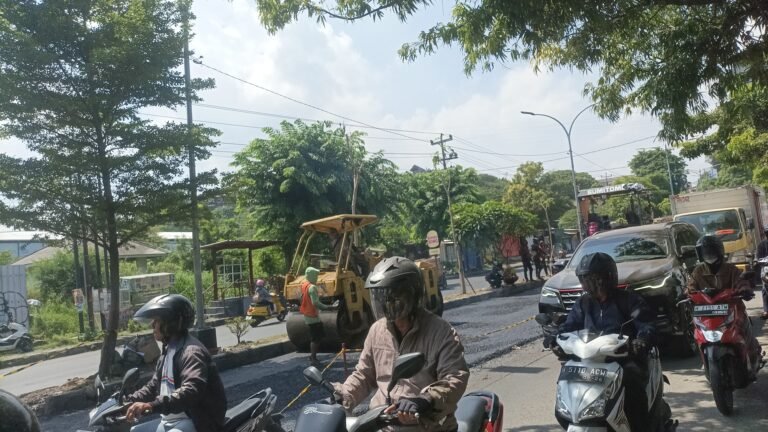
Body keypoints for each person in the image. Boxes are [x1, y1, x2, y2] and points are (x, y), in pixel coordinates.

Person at [333, 257, 469, 431]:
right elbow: (364, 374)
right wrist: (343, 395)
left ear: (412, 295)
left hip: (427, 425)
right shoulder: (377, 330)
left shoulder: (441, 332)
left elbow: (455, 377)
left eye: (393, 297)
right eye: (380, 297)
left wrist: (425, 400)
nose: (385, 303)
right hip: (382, 423)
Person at [550, 252, 655, 432]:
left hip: (623, 360)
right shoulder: (583, 303)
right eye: (585, 280)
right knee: (565, 389)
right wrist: (554, 338)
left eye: (593, 280)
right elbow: (569, 326)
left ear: (608, 278)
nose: (588, 285)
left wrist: (641, 340)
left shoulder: (629, 300)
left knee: (634, 392)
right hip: (589, 361)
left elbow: (645, 324)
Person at [124, 294, 226, 432]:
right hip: (171, 421)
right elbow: (154, 386)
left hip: (197, 422)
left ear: (170, 323)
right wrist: (127, 401)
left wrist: (151, 406)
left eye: (157, 320)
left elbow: (191, 391)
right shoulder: (169, 350)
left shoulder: (191, 352)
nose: (153, 325)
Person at [687, 235, 761, 358]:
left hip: (732, 308)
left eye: (711, 251)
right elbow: (691, 287)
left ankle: (753, 356)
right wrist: (687, 294)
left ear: (719, 251)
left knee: (745, 327)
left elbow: (740, 281)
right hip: (707, 312)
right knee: (697, 330)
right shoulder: (698, 271)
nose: (709, 255)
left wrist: (744, 290)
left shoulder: (731, 269)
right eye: (705, 252)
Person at [300, 266, 333, 366]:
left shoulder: (304, 285)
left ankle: (313, 356)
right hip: (312, 315)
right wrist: (328, 307)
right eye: (316, 275)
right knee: (316, 337)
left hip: (307, 314)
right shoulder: (312, 287)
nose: (317, 277)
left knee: (316, 336)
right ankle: (313, 357)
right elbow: (315, 302)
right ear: (312, 275)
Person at [757, 228, 768, 320]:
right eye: (767, 233)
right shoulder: (761, 245)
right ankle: (766, 311)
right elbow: (758, 257)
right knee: (765, 289)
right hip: (766, 268)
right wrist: (757, 261)